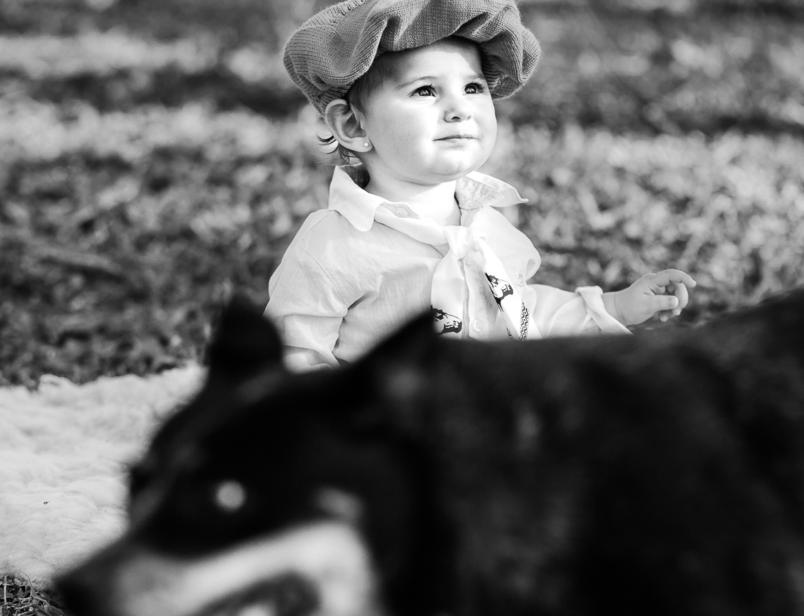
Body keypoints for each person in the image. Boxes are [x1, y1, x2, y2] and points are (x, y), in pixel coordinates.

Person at [268, 0, 695, 370]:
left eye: (473, 87)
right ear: (351, 124)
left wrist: (617, 306)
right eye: (424, 91)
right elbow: (295, 353)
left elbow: (520, 315)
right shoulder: (333, 246)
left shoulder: (489, 227)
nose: (459, 109)